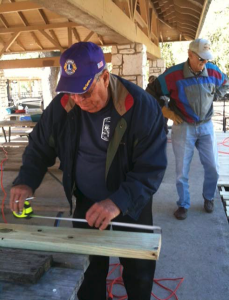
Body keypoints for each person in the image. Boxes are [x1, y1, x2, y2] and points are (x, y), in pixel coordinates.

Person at [10, 42, 167, 300]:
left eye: (85, 91)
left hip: (130, 202)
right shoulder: (64, 106)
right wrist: (26, 180)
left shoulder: (139, 106)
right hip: (86, 201)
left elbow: (151, 168)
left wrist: (118, 201)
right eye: (72, 92)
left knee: (139, 271)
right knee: (87, 269)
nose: (79, 100)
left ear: (104, 77)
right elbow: (39, 147)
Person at [146, 38, 229, 220]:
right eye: (201, 59)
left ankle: (209, 197)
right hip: (183, 127)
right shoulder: (173, 75)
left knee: (213, 167)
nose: (204, 63)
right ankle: (183, 204)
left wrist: (216, 94)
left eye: (207, 59)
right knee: (182, 170)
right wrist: (164, 110)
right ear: (190, 55)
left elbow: (226, 83)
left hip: (206, 126)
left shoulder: (213, 71)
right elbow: (150, 92)